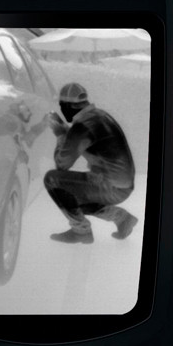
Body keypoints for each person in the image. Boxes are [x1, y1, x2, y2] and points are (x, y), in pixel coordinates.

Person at [44, 82, 138, 244]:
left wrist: (60, 134)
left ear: (68, 106)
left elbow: (61, 164)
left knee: (52, 180)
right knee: (73, 199)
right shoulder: (100, 116)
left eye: (61, 105)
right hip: (123, 185)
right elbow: (82, 142)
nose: (61, 109)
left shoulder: (82, 127)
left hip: (110, 188)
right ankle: (123, 219)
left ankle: (80, 231)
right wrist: (66, 131)